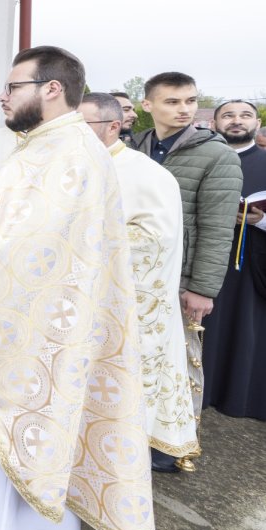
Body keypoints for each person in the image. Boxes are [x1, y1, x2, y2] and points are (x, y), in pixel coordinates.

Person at [0, 46, 154, 530]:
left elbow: (24, 243)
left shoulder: (68, 151)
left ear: (51, 89)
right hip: (23, 330)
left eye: (12, 87)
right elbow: (16, 218)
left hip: (29, 343)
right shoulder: (44, 145)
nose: (1, 97)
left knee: (5, 444)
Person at [132, 71, 241, 470]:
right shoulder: (136, 147)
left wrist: (203, 288)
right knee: (139, 362)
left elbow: (216, 229)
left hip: (181, 279)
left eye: (190, 102)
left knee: (179, 363)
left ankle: (173, 448)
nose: (184, 110)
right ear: (148, 105)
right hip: (138, 275)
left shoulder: (217, 155)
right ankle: (134, 434)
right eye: (172, 102)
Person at [80, 93, 198, 461]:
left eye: (82, 127)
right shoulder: (72, 165)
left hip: (130, 302)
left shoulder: (147, 174)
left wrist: (83, 240)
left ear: (113, 127)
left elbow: (155, 241)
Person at [203, 100, 266, 420]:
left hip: (254, 263)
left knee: (246, 329)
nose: (237, 121)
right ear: (214, 124)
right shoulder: (207, 160)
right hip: (206, 261)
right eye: (228, 116)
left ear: (257, 123)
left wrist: (261, 221)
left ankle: (238, 398)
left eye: (245, 116)